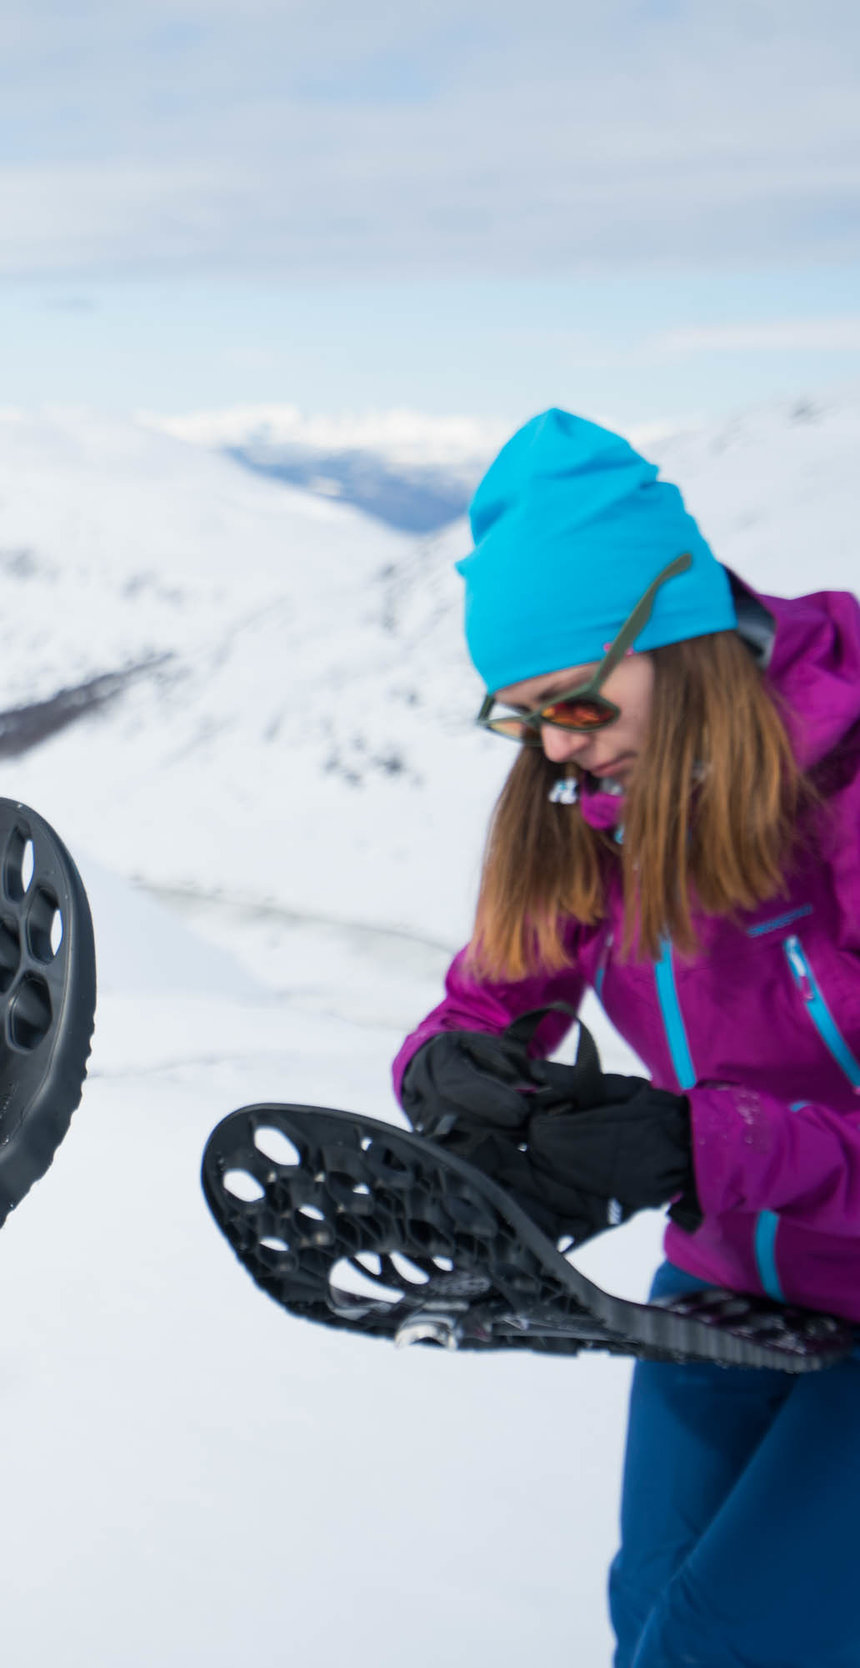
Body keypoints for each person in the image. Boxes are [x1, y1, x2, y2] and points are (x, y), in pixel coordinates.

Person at [393, 409, 860, 1667]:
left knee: (725, 1643)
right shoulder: (594, 797)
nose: (553, 746)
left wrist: (697, 1145)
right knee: (651, 1624)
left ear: (684, 641)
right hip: (729, 1286)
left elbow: (716, 1137)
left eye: (576, 702)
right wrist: (450, 1066)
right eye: (520, 714)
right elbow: (492, 995)